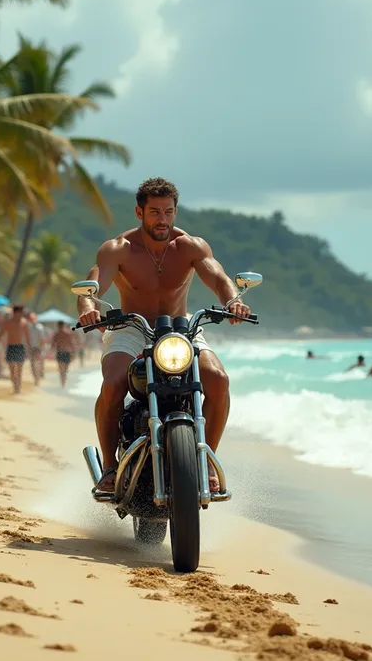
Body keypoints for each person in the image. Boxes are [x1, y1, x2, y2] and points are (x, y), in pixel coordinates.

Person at [77, 177, 251, 493]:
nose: (163, 220)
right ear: (139, 212)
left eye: (169, 212)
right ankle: (109, 467)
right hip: (132, 326)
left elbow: (218, 277)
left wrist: (233, 301)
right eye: (155, 212)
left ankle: (206, 461)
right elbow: (93, 284)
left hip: (180, 327)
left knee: (218, 380)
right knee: (114, 383)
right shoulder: (119, 249)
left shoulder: (190, 247)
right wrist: (89, 307)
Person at [0, 305, 31, 394]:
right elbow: (0, 335)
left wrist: (29, 348)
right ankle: (15, 386)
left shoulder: (24, 323)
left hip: (20, 347)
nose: (20, 315)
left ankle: (18, 388)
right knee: (12, 369)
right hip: (11, 347)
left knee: (20, 369)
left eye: (21, 313)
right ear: (14, 313)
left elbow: (28, 337)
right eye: (19, 313)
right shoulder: (8, 323)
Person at [52, 321, 75, 387]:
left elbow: (53, 344)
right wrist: (73, 352)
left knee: (62, 370)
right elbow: (71, 343)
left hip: (60, 352)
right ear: (63, 325)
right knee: (64, 369)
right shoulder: (67, 333)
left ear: (58, 326)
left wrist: (52, 350)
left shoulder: (56, 334)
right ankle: (63, 382)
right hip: (66, 352)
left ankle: (63, 382)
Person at [27, 311, 45, 386]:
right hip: (36, 348)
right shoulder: (38, 327)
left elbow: (42, 340)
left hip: (35, 348)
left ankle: (36, 379)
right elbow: (42, 340)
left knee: (34, 364)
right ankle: (36, 378)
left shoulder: (33, 327)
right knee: (35, 364)